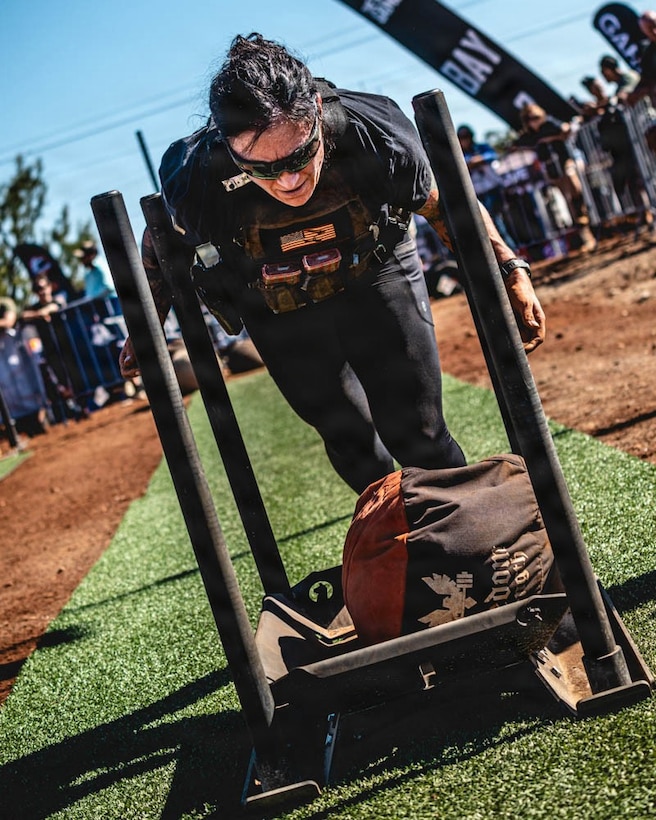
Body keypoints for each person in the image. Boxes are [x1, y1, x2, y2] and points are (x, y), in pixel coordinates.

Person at [119, 33, 545, 494]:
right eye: (261, 168)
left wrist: (509, 269)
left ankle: (470, 540)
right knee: (351, 441)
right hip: (273, 298)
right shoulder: (197, 175)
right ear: (229, 147)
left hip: (377, 269)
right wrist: (146, 328)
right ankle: (399, 548)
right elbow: (160, 244)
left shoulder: (375, 135)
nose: (287, 180)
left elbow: (446, 209)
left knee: (418, 432)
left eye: (300, 155)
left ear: (318, 114)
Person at [513, 103, 597, 252]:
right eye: (529, 119)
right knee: (568, 201)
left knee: (576, 190)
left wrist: (551, 138)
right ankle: (584, 233)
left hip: (565, 162)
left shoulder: (550, 124)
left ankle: (588, 222)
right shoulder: (530, 136)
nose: (533, 121)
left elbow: (565, 130)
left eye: (535, 117)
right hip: (551, 168)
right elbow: (517, 145)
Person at [456, 124, 517, 250]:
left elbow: (492, 155)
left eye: (466, 137)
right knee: (487, 225)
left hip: (493, 189)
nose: (464, 140)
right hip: (477, 193)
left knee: (497, 222)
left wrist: (480, 159)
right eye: (461, 137)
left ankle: (512, 250)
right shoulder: (458, 155)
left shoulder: (481, 148)